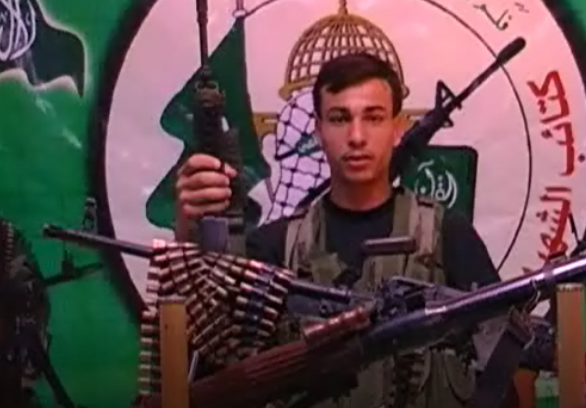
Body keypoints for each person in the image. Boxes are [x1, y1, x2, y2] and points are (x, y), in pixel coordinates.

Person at [175, 53, 503, 407]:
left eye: (373, 117)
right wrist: (188, 234)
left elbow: (509, 370)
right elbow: (208, 366)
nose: (357, 136)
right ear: (318, 131)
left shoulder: (448, 236)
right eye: (339, 118)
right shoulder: (274, 247)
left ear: (397, 128)